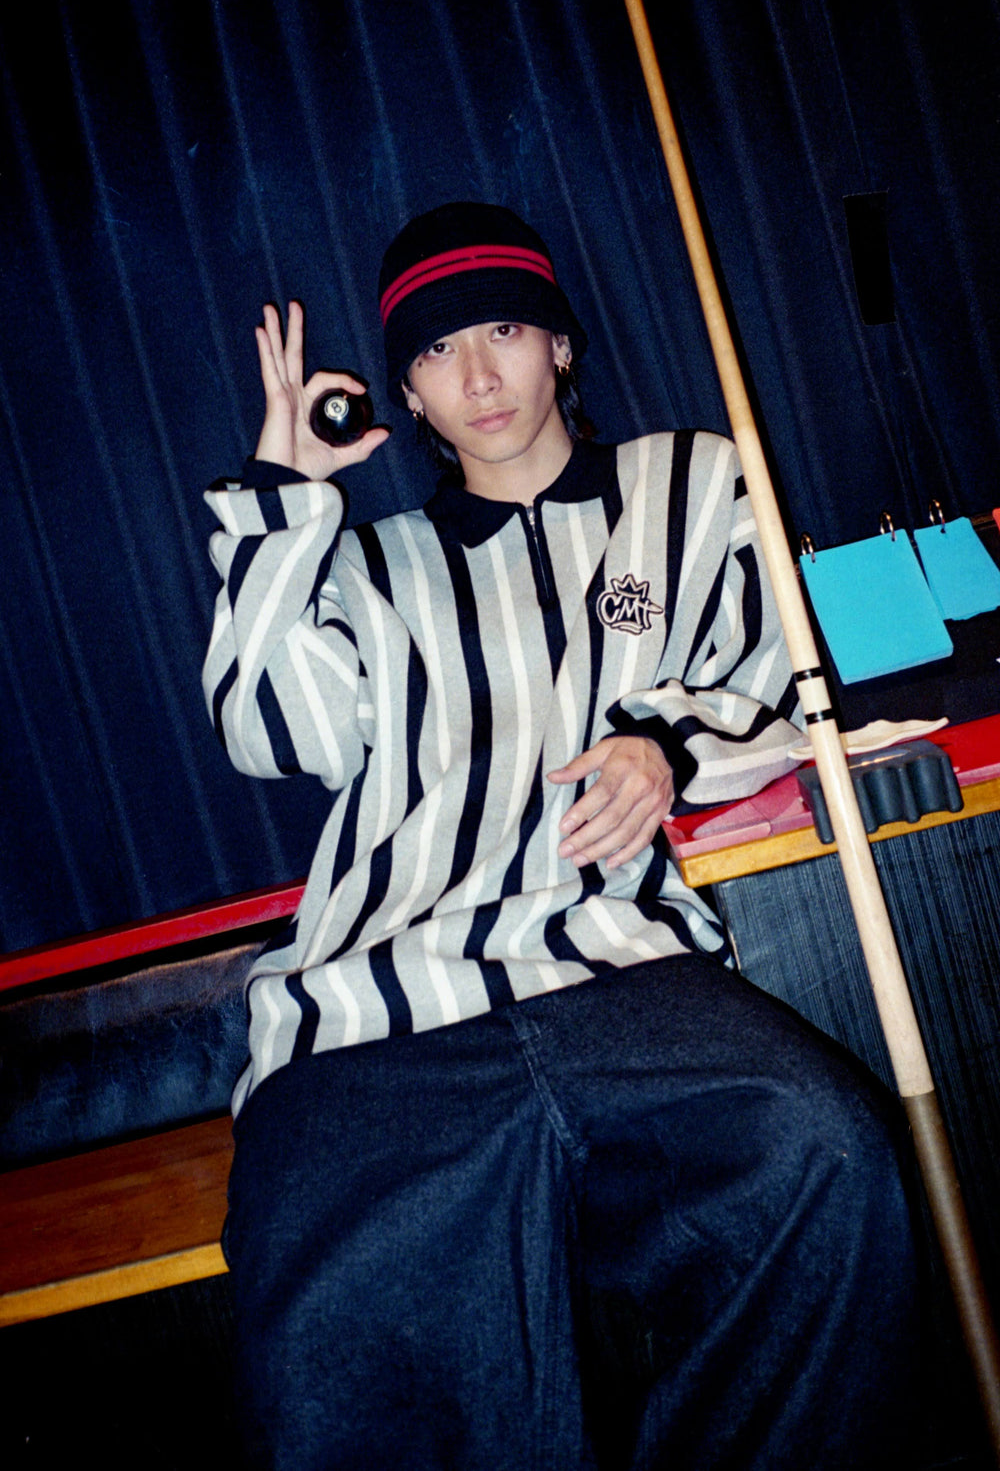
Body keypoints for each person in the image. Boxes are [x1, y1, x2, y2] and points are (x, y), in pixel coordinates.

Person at [203, 203, 918, 1470]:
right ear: (406, 394)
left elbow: (765, 661)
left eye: (503, 330)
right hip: (373, 1011)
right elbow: (271, 729)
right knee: (331, 1322)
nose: (477, 376)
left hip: (620, 969)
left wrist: (661, 739)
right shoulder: (369, 565)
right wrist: (280, 503)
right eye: (436, 352)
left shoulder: (686, 483)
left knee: (819, 1151)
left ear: (561, 344)